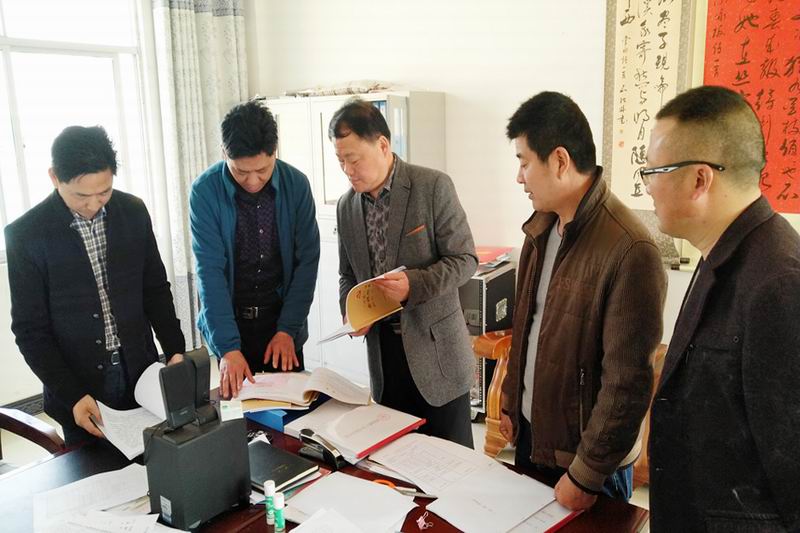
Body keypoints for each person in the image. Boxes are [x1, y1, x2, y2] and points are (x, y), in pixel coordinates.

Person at [500, 92, 667, 510]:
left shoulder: (630, 249)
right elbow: (527, 327)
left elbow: (626, 383)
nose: (519, 178)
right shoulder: (540, 229)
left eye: (524, 162)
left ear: (559, 160)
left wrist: (586, 474)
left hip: (586, 465)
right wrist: (510, 402)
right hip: (534, 439)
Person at [645, 85, 800, 532]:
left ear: (700, 179)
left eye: (654, 170)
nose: (648, 186)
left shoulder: (778, 283)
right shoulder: (724, 252)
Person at [5, 125, 185, 446]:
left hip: (140, 371)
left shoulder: (132, 212)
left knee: (156, 457)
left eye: (104, 192)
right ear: (54, 177)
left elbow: (155, 289)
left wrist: (174, 349)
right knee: (94, 467)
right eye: (81, 195)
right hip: (79, 386)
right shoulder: (26, 235)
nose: (93, 204)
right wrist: (72, 394)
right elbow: (30, 331)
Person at [331, 98, 477, 447]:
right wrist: (350, 311)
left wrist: (414, 284)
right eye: (340, 161)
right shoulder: (346, 206)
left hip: (437, 355)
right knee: (395, 461)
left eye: (354, 159)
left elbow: (465, 260)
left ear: (383, 145)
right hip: (385, 359)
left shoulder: (432, 186)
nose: (348, 170)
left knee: (451, 462)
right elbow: (347, 274)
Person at [190, 100, 320, 398]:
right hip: (230, 322)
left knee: (290, 411)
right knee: (236, 413)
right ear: (224, 154)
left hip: (281, 323)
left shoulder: (297, 185)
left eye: (262, 170)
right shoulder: (205, 191)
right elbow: (210, 272)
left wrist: (287, 329)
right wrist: (228, 348)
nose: (252, 181)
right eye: (240, 171)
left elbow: (307, 263)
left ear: (275, 152)